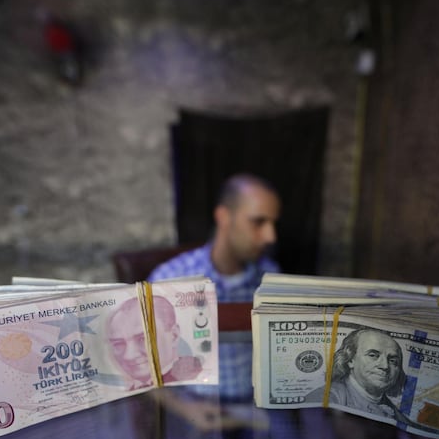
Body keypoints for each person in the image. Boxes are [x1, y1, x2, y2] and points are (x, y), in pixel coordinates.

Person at [148, 173, 281, 400]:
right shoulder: (171, 279)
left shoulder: (271, 278)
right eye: (258, 222)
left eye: (273, 224)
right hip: (194, 404)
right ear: (224, 217)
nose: (270, 237)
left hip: (257, 403)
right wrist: (187, 410)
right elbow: (142, 366)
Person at [106, 295, 202, 390]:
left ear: (174, 336)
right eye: (118, 344)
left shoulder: (200, 382)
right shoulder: (123, 394)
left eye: (142, 339)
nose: (128, 355)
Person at [307, 328, 407, 418]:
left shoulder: (400, 417)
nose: (385, 366)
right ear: (350, 359)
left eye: (393, 361)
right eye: (373, 355)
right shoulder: (324, 399)